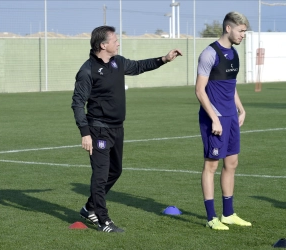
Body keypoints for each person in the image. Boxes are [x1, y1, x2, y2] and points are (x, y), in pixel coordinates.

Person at [71, 25, 182, 233]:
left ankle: (89, 207)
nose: (118, 43)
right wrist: (85, 133)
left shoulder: (118, 62)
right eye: (115, 40)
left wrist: (164, 59)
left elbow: (139, 66)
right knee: (101, 175)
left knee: (116, 171)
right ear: (103, 45)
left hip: (117, 128)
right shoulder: (87, 70)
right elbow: (77, 103)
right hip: (98, 130)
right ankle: (102, 220)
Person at [195, 12, 252, 230]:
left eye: (245, 31)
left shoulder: (234, 54)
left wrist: (241, 108)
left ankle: (228, 214)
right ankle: (211, 218)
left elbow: (231, 86)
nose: (243, 35)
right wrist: (214, 119)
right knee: (211, 165)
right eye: (241, 31)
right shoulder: (209, 53)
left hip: (231, 117)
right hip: (214, 119)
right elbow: (200, 91)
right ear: (228, 28)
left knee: (232, 163)